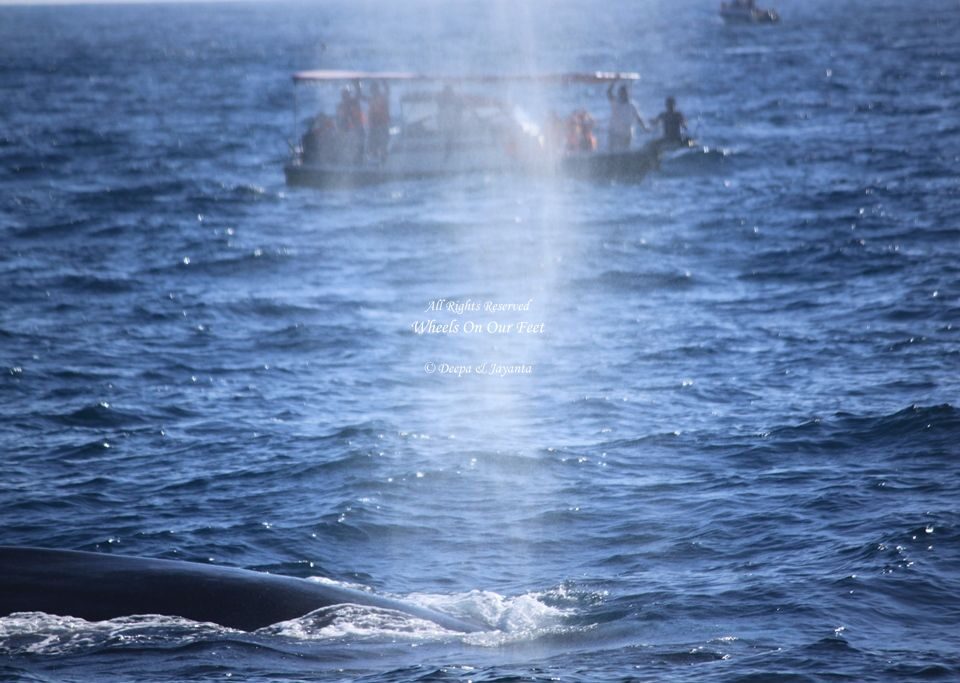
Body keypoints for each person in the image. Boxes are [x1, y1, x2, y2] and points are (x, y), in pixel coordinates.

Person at [606, 81, 648, 152]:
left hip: (626, 133)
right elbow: (608, 93)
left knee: (625, 150)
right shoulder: (615, 102)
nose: (623, 94)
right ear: (619, 93)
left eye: (625, 93)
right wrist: (613, 82)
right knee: (611, 149)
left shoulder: (632, 105)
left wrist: (644, 127)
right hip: (614, 132)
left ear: (628, 93)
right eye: (621, 93)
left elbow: (638, 118)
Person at [335, 84, 365, 163]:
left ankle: (359, 161)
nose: (345, 97)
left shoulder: (353, 102)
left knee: (358, 147)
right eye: (344, 95)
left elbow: (358, 95)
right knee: (347, 148)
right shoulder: (340, 106)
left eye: (346, 95)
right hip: (346, 131)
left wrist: (357, 84)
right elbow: (339, 120)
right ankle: (348, 162)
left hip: (356, 130)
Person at [436, 84, 463, 160]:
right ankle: (447, 154)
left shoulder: (443, 100)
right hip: (449, 123)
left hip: (449, 123)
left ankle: (447, 154)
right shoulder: (452, 100)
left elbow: (459, 111)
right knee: (449, 137)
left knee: (449, 137)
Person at [366, 81, 391, 163]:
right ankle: (376, 158)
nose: (373, 91)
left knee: (382, 143)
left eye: (374, 89)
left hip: (381, 125)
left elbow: (387, 91)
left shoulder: (382, 97)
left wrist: (385, 82)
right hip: (374, 126)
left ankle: (382, 159)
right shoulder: (372, 99)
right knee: (374, 143)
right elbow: (360, 97)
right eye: (372, 90)